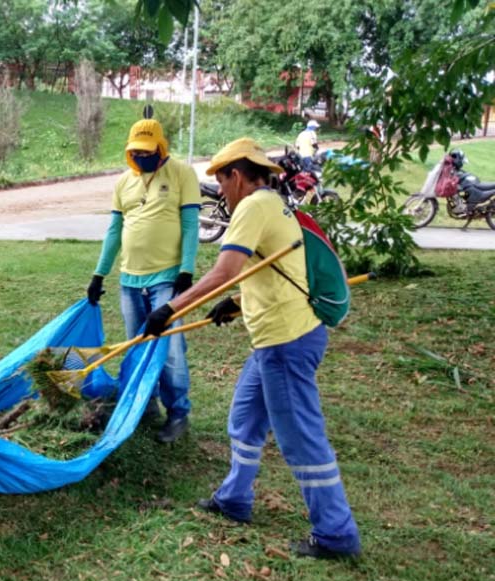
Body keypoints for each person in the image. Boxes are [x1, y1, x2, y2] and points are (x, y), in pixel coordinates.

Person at [143, 138, 361, 559]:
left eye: (222, 182)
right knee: (244, 419)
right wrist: (238, 302)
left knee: (300, 438)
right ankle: (234, 499)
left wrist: (168, 309)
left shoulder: (253, 206)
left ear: (237, 176)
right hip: (275, 341)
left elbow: (226, 269)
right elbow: (276, 270)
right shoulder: (276, 204)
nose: (221, 192)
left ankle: (336, 535)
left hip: (286, 342)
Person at [87, 116, 201, 443]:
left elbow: (192, 226)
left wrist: (186, 271)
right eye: (135, 152)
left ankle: (178, 414)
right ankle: (145, 405)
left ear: (161, 147)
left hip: (167, 279)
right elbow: (114, 232)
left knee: (172, 350)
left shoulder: (182, 174)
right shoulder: (124, 182)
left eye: (147, 151)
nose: (141, 157)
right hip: (129, 281)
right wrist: (99, 274)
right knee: (137, 345)